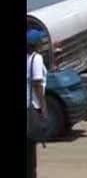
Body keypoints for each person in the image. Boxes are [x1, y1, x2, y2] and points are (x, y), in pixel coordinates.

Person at [27, 29, 48, 178]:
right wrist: (43, 106)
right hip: (31, 107)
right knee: (30, 150)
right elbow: (37, 83)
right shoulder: (37, 58)